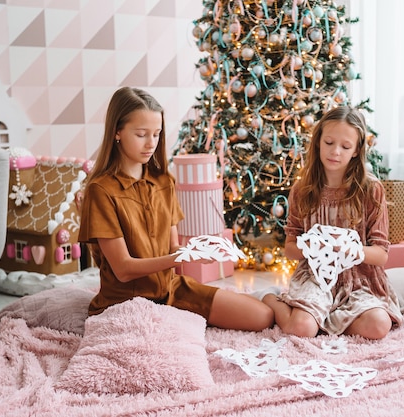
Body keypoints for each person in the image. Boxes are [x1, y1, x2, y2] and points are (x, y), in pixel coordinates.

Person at [79, 86, 274, 331]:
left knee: (262, 317)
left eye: (157, 134)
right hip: (124, 300)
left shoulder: (164, 182)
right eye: (141, 134)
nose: (151, 143)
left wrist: (198, 252)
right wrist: (181, 256)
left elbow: (173, 248)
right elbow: (124, 269)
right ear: (117, 132)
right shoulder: (102, 190)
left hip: (171, 289)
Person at [259, 106, 403, 339]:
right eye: (328, 142)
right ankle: (272, 298)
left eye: (345, 146)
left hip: (359, 280)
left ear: (357, 150)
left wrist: (347, 250)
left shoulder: (371, 189)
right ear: (318, 142)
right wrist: (315, 247)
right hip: (316, 277)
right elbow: (290, 249)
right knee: (301, 329)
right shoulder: (302, 190)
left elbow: (381, 254)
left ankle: (322, 319)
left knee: (378, 326)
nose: (335, 151)